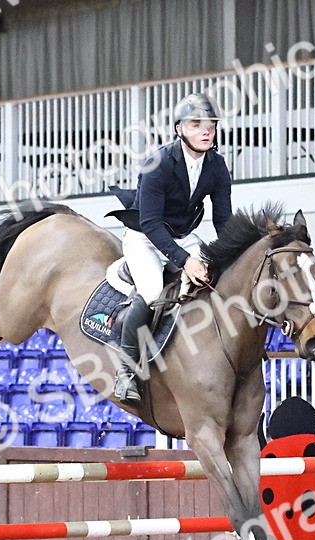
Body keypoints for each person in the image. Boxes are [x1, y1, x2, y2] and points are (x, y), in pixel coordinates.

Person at [112, 92, 233, 404]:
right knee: (153, 290)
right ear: (179, 129)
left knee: (213, 277)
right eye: (196, 125)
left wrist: (233, 254)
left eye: (211, 125)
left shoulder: (217, 167)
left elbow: (224, 221)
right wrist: (185, 260)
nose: (206, 131)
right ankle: (126, 372)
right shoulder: (159, 164)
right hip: (144, 236)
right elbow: (151, 223)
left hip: (182, 235)